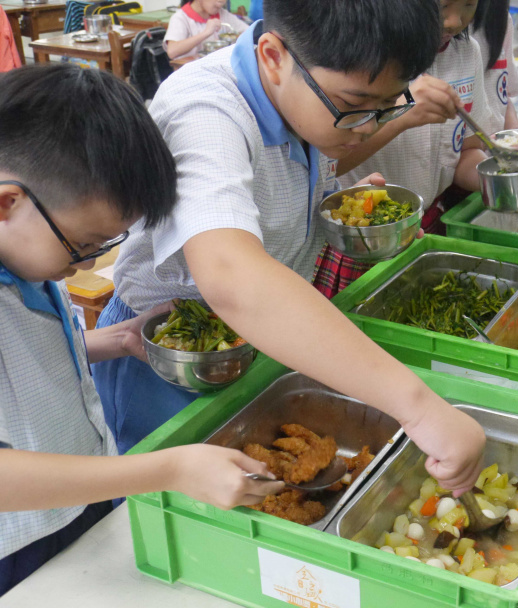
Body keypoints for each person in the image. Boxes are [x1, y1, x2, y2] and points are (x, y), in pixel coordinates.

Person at [93, 0, 486, 494]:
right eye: (355, 105)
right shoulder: (204, 107)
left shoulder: (310, 100)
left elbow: (303, 168)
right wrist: (420, 407)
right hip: (170, 359)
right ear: (274, 56)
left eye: (388, 105)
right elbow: (232, 278)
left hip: (264, 342)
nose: (369, 127)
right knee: (160, 510)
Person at [0, 64, 284, 596]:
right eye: (85, 245)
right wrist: (166, 469)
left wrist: (106, 342)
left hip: (75, 506)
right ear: (7, 203)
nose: (86, 265)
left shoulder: (23, 255)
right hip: (18, 542)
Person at [311, 0, 490, 296]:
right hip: (359, 237)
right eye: (443, 5)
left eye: (469, 5)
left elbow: (467, 151)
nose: (454, 20)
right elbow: (325, 164)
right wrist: (399, 116)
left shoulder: (467, 52)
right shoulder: (361, 49)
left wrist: (496, 181)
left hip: (422, 229)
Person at [471, 0, 518, 133]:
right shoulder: (443, 32)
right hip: (454, 150)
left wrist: (514, 130)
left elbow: (500, 94)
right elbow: (409, 102)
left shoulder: (500, 17)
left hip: (489, 148)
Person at [164, 0, 247, 60]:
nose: (222, 2)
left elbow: (248, 31)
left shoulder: (222, 14)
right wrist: (206, 33)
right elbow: (172, 51)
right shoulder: (181, 18)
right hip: (190, 73)